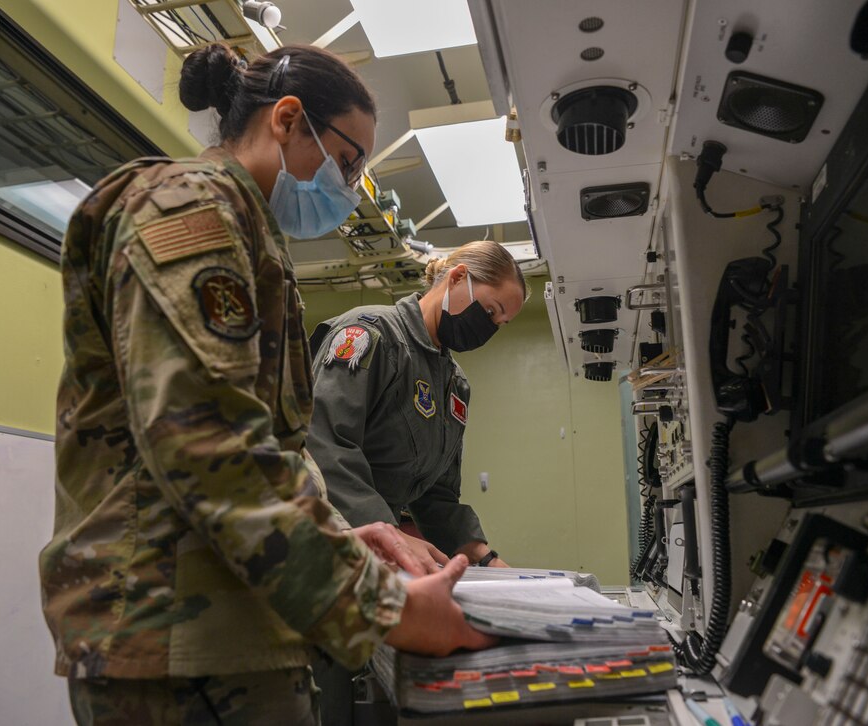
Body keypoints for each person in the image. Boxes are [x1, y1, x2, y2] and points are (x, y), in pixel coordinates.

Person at [38, 43, 492, 726]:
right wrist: (383, 607)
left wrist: (348, 532)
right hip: (173, 639)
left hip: (230, 626)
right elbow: (208, 446)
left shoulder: (253, 238)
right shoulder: (188, 213)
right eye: (347, 161)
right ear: (286, 119)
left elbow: (274, 447)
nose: (348, 185)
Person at [307, 241, 529, 572]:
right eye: (489, 311)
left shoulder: (454, 384)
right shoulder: (371, 334)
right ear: (457, 278)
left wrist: (485, 558)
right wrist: (388, 531)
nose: (490, 327)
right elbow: (321, 444)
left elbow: (435, 495)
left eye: (500, 323)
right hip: (325, 539)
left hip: (379, 551)